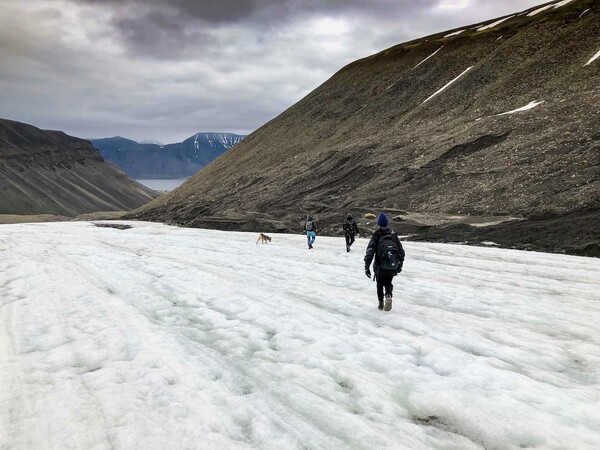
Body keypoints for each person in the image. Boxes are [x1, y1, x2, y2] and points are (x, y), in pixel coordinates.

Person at [364, 212, 405, 311]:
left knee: (379, 284)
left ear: (379, 223)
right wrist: (399, 265)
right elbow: (401, 252)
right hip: (392, 265)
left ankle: (381, 303)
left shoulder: (376, 235)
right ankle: (388, 295)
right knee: (388, 282)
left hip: (379, 266)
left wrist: (367, 266)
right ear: (387, 223)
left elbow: (370, 252)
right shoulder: (393, 235)